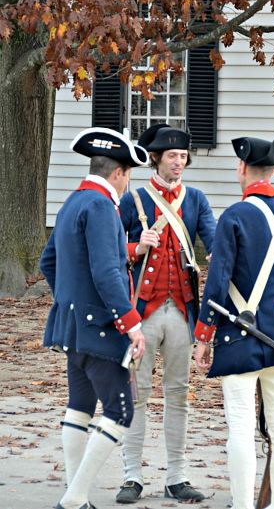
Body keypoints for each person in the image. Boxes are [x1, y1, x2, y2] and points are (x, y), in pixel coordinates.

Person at [194, 136, 274, 509]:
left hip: (240, 335)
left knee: (241, 429)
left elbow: (217, 283)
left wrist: (204, 334)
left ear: (243, 169)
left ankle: (244, 505)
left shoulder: (235, 215)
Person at [40, 127, 149, 509]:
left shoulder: (73, 201)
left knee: (80, 406)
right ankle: (74, 498)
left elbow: (48, 262)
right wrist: (132, 324)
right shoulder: (103, 205)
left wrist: (71, 300)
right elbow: (107, 272)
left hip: (72, 326)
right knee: (120, 411)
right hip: (102, 328)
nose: (126, 182)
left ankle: (76, 496)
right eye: (128, 175)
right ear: (118, 172)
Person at [116, 124, 217, 504]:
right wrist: (134, 246)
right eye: (173, 155)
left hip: (181, 311)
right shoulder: (134, 199)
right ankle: (132, 476)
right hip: (142, 312)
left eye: (183, 156)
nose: (180, 161)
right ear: (156, 158)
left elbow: (216, 242)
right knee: (137, 394)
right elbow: (111, 250)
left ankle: (177, 475)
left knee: (178, 395)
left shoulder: (195, 199)